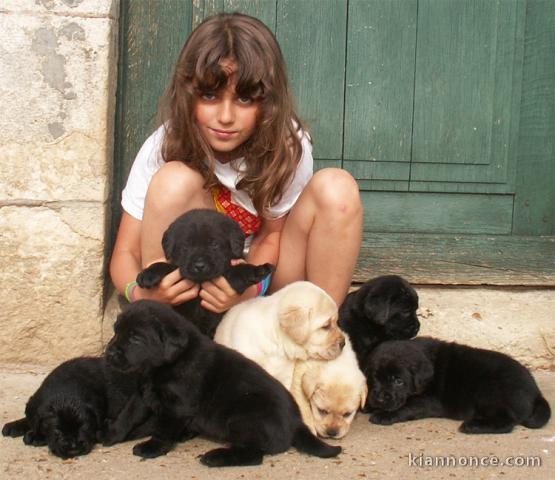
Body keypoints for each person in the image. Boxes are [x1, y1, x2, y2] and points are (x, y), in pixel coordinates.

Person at [110, 12, 362, 314]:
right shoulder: (164, 144)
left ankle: (318, 331)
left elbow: (273, 234)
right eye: (209, 96)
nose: (226, 116)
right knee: (173, 179)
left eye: (244, 99)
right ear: (188, 95)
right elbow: (125, 252)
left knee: (338, 189)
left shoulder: (288, 143)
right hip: (191, 288)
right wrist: (141, 295)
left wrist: (249, 288)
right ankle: (169, 325)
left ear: (268, 102)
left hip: (263, 282)